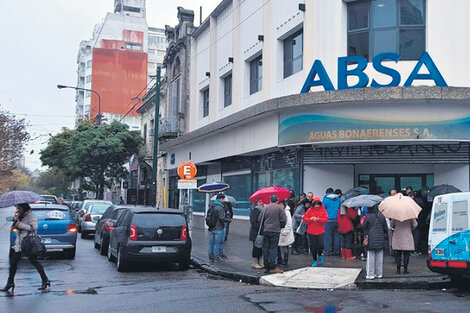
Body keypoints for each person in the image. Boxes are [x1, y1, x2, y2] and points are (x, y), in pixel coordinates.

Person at [1, 203, 50, 292]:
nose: (17, 210)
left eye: (19, 208)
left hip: (28, 243)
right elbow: (16, 227)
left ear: (24, 208)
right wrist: (15, 223)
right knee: (13, 263)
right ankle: (10, 283)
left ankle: (45, 280)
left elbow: (34, 228)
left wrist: (19, 225)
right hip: (20, 243)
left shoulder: (31, 216)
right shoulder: (20, 215)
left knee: (34, 261)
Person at [259, 194, 287, 274]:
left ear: (270, 200)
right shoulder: (280, 208)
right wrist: (281, 226)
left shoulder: (265, 208)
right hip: (275, 230)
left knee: (265, 248)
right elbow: (284, 219)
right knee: (273, 248)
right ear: (277, 200)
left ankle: (266, 266)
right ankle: (273, 266)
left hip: (266, 230)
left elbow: (260, 219)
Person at [362, 204, 388, 279]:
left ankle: (370, 274)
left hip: (371, 239)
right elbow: (385, 228)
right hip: (380, 239)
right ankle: (379, 273)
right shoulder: (382, 216)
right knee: (379, 257)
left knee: (371, 257)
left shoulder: (368, 216)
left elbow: (364, 226)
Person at [302, 196, 329, 267]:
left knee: (321, 245)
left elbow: (326, 219)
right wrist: (310, 219)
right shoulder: (310, 210)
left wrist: (319, 219)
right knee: (313, 247)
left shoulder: (323, 210)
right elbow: (304, 218)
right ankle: (314, 260)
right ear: (313, 204)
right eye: (315, 204)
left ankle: (320, 255)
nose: (317, 206)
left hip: (320, 231)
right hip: (311, 231)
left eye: (318, 204)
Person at [208, 194, 231, 263]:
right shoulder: (220, 207)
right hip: (218, 227)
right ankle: (216, 257)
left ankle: (210, 257)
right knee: (217, 243)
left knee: (211, 243)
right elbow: (222, 218)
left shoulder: (211, 206)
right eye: (223, 199)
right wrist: (228, 220)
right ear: (221, 199)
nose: (224, 200)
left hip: (211, 227)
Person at [322, 188, 341, 256]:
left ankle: (327, 251)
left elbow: (322, 209)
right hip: (337, 219)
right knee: (337, 236)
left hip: (328, 220)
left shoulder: (326, 199)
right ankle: (337, 251)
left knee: (327, 236)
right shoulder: (338, 198)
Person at [277, 200, 295, 266]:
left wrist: (285, 231)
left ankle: (285, 260)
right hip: (280, 232)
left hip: (285, 232)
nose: (280, 206)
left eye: (281, 204)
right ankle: (279, 260)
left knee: (285, 247)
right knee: (278, 247)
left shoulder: (287, 212)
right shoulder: (279, 211)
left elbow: (289, 223)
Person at [249, 199, 264, 269]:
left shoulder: (263, 210)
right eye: (259, 202)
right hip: (256, 232)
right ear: (256, 203)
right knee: (256, 247)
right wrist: (260, 226)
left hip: (261, 232)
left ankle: (260, 261)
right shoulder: (255, 211)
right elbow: (253, 222)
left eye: (262, 201)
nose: (261, 203)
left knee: (260, 247)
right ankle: (254, 262)